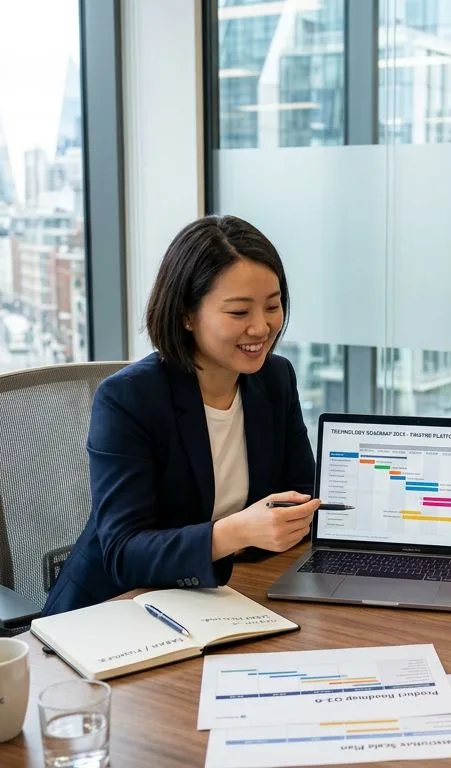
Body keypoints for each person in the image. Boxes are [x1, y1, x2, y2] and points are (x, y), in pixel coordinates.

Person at [42, 215, 320, 615]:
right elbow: (123, 552)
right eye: (239, 313)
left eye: (273, 306)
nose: (261, 327)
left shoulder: (275, 379)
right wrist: (234, 532)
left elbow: (298, 500)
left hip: (219, 600)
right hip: (114, 609)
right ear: (187, 315)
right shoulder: (128, 398)